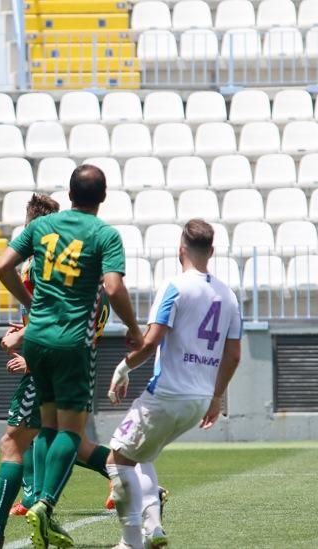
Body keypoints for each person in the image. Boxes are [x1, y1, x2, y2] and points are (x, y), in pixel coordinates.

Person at [0, 164, 144, 549]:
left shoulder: (43, 228)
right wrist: (133, 327)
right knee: (71, 432)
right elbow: (112, 287)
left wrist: (30, 304)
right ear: (103, 197)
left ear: (71, 194)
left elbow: (1, 266)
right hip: (72, 341)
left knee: (45, 425)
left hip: (37, 340)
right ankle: (45, 503)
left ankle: (35, 500)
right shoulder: (104, 235)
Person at [105, 219, 241, 549]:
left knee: (116, 461)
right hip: (198, 399)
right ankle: (153, 528)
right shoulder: (229, 296)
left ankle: (130, 542)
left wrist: (123, 368)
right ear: (211, 251)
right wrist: (217, 397)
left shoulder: (175, 287)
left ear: (180, 250)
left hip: (167, 394)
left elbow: (150, 342)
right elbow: (234, 355)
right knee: (142, 455)